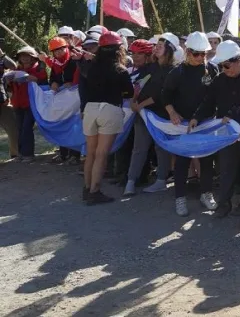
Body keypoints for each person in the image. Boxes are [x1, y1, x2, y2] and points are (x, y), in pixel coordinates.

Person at [189, 41, 240, 218]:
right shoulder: (220, 79)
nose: (224, 69)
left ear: (238, 60)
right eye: (221, 66)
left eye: (226, 65)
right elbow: (209, 101)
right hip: (226, 133)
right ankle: (223, 204)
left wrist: (234, 115)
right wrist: (197, 116)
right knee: (226, 168)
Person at [159, 32, 220, 216]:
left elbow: (214, 96)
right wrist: (172, 112)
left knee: (207, 161)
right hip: (183, 124)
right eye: (197, 54)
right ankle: (180, 198)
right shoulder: (177, 73)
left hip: (206, 123)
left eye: (205, 54)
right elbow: (165, 95)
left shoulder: (213, 70)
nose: (201, 58)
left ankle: (206, 193)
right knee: (182, 162)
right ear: (188, 52)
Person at [124, 34, 185, 197]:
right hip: (142, 114)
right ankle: (131, 181)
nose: (156, 47)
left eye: (160, 45)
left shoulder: (173, 70)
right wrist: (134, 100)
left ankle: (161, 180)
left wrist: (140, 105)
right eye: (156, 45)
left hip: (161, 115)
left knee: (161, 148)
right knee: (139, 148)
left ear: (169, 50)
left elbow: (161, 93)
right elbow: (138, 84)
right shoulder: (150, 67)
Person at [81, 32, 134, 204]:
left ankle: (87, 188)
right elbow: (129, 93)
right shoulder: (120, 70)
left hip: (90, 109)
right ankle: (95, 191)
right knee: (102, 154)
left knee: (90, 153)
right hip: (109, 109)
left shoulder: (90, 67)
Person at [4, 46, 48, 162]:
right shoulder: (15, 71)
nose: (25, 58)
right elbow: (10, 89)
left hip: (31, 104)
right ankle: (20, 154)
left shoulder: (39, 69)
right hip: (17, 104)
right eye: (22, 56)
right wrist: (9, 81)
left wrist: (31, 78)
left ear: (33, 57)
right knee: (19, 128)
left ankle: (28, 154)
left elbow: (42, 81)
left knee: (27, 128)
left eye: (27, 56)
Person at [44, 37, 81, 164]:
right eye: (55, 51)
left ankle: (75, 155)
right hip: (62, 98)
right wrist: (53, 83)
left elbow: (79, 77)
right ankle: (63, 153)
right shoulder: (55, 64)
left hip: (75, 98)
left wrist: (72, 83)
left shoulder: (74, 60)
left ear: (66, 48)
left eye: (60, 49)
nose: (58, 53)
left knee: (73, 125)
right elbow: (52, 78)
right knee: (62, 122)